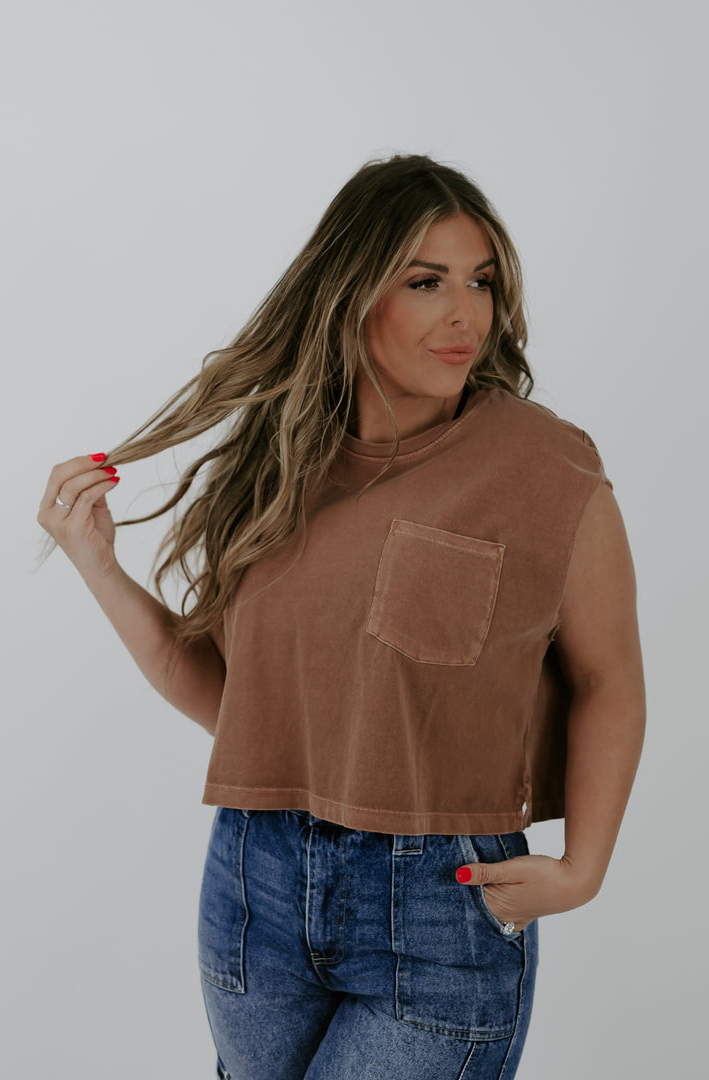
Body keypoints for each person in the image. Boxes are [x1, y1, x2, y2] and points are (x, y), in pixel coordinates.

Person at [37, 154, 645, 1080]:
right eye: (426, 281)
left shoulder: (547, 466)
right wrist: (97, 565)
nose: (466, 314)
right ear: (351, 293)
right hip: (254, 886)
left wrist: (584, 867)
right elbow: (235, 704)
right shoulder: (279, 461)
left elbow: (609, 676)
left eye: (481, 282)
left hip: (441, 905)